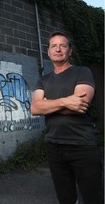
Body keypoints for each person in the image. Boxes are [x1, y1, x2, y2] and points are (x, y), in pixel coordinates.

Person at [30, 31, 103, 204]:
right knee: (65, 198)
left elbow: (79, 106)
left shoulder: (82, 72)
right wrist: (65, 101)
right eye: (53, 46)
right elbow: (34, 108)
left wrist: (48, 105)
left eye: (63, 45)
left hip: (82, 145)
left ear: (70, 50)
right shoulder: (44, 80)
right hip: (54, 146)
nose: (58, 49)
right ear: (48, 52)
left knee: (93, 197)